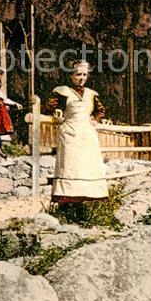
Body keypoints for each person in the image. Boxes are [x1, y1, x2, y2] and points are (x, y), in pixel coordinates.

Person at [48, 60, 108, 203]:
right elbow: (50, 106)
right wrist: (56, 111)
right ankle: (68, 198)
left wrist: (96, 119)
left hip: (86, 133)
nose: (81, 78)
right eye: (78, 74)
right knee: (71, 165)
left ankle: (90, 196)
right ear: (70, 75)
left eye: (85, 75)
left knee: (87, 164)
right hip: (70, 132)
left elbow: (101, 110)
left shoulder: (91, 94)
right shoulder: (62, 91)